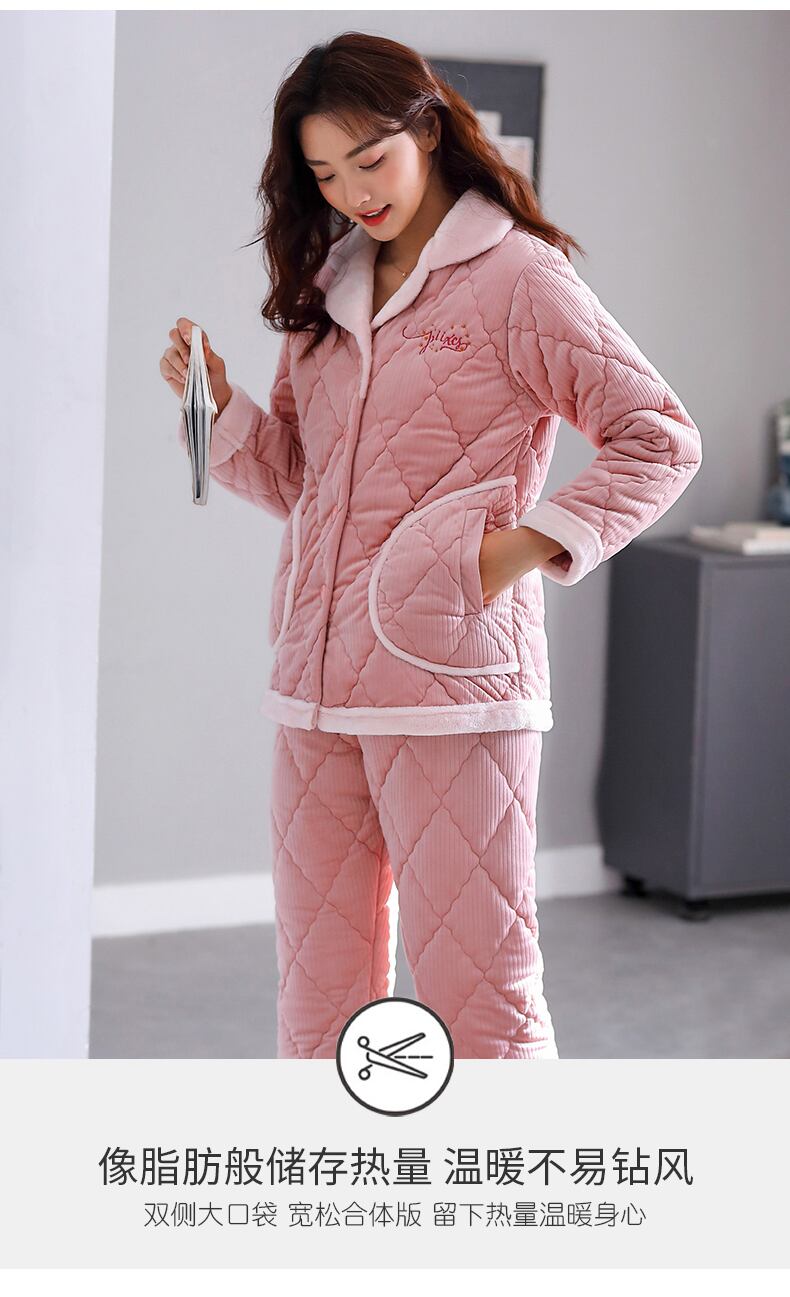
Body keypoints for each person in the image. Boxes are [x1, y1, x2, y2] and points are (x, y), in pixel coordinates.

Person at [161, 31, 702, 1060]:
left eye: (369, 159)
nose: (352, 192)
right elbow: (305, 486)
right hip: (314, 688)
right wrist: (217, 407)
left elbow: (660, 438)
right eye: (325, 173)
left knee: (480, 997)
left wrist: (504, 556)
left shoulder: (517, 277)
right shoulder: (328, 286)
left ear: (430, 129)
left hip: (454, 685)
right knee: (317, 1003)